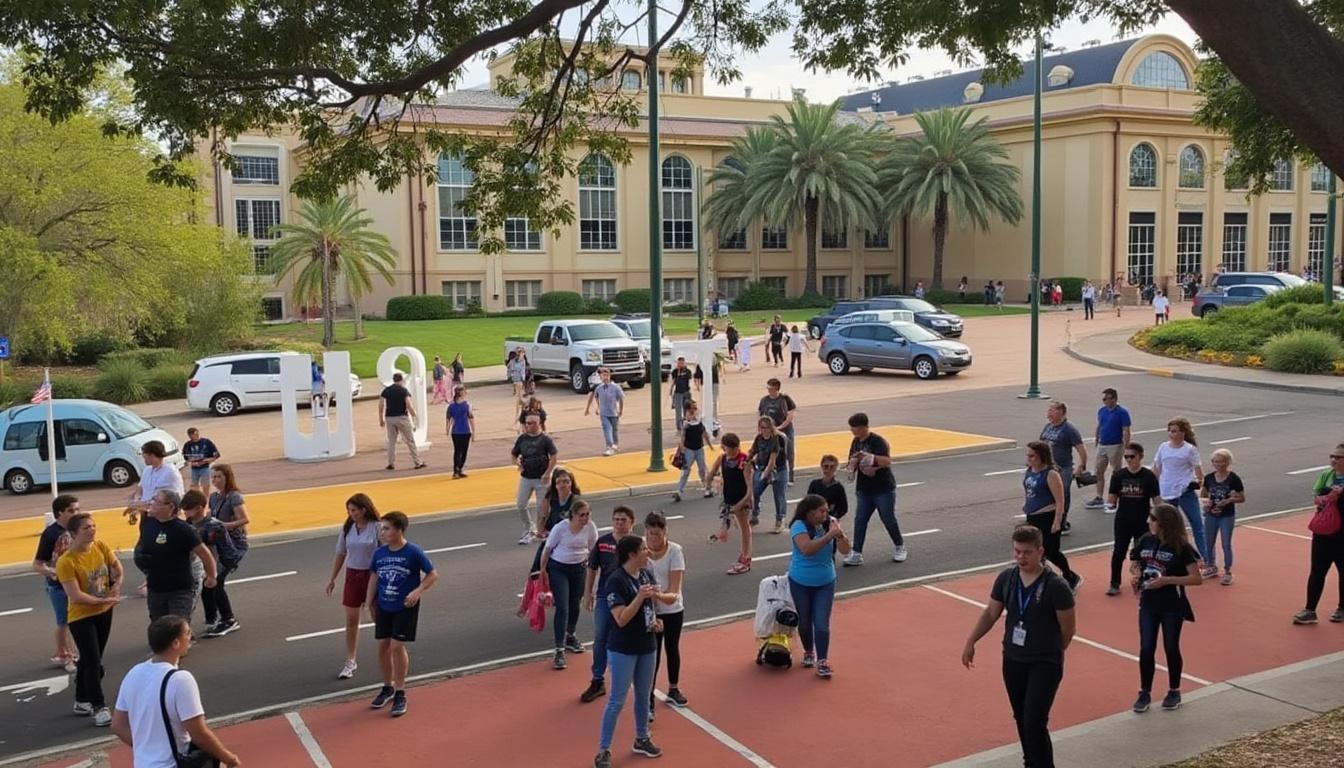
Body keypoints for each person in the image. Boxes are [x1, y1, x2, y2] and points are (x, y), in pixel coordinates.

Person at [961, 525, 1076, 768]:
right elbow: (991, 612)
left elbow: (1068, 629)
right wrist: (971, 641)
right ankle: (1030, 762)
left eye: (1027, 552)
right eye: (1017, 552)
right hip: (1013, 660)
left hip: (1044, 663)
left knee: (1034, 721)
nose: (1021, 558)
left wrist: (1054, 653)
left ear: (1040, 551)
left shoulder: (1056, 586)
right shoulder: (1007, 579)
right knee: (1022, 718)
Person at [111, 616, 240, 768]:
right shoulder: (180, 680)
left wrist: (147, 749)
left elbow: (118, 725)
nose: (191, 636)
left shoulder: (134, 673)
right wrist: (230, 759)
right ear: (176, 643)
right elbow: (199, 734)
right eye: (187, 633)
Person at [593, 535, 664, 768]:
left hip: (647, 645)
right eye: (643, 549)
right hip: (623, 648)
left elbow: (650, 605)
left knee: (644, 696)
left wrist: (655, 621)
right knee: (617, 700)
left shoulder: (645, 574)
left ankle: (642, 738)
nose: (648, 552)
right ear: (632, 555)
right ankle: (604, 749)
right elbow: (621, 619)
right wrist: (639, 597)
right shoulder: (616, 581)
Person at [1130, 503, 1203, 712]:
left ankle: (1174, 690)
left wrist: (1167, 581)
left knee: (1171, 646)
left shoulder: (1181, 547)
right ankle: (1144, 691)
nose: (1148, 522)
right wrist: (1136, 574)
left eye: (1152, 519)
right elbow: (1135, 561)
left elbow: (1196, 578)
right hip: (1148, 603)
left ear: (1164, 523)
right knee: (1146, 648)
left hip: (1172, 604)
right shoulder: (1146, 540)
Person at [367, 511, 437, 718]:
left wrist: (417, 591)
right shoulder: (379, 554)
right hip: (384, 605)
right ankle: (387, 687)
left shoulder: (413, 552)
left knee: (397, 647)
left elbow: (432, 574)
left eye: (386, 528)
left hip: (405, 606)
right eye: (381, 528)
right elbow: (374, 578)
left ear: (399, 530)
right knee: (383, 645)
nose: (382, 532)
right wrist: (369, 603)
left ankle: (400, 691)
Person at [57, 511, 123, 726]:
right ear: (73, 533)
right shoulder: (66, 561)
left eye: (93, 526)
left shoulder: (100, 547)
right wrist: (102, 600)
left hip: (104, 612)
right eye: (86, 528)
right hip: (81, 616)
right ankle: (99, 706)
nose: (92, 530)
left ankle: (81, 699)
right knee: (94, 662)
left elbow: (117, 568)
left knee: (89, 659)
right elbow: (75, 595)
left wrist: (116, 586)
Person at [788, 495, 850, 678]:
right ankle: (808, 651)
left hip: (825, 582)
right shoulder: (798, 526)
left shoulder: (831, 523)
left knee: (822, 624)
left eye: (826, 510)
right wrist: (829, 536)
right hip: (800, 581)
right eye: (821, 511)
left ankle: (822, 660)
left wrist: (840, 536)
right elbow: (806, 549)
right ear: (810, 512)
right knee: (805, 621)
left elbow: (846, 550)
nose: (825, 514)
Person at [580, 506, 636, 704]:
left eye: (623, 520)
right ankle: (597, 679)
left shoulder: (637, 545)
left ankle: (631, 679)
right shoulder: (603, 542)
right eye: (616, 519)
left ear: (632, 522)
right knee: (600, 638)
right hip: (605, 596)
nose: (619, 523)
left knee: (629, 638)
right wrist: (588, 593)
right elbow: (592, 568)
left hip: (630, 598)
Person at [137, 490, 216, 622]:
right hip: (155, 589)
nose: (151, 502)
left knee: (177, 626)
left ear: (171, 507)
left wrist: (211, 576)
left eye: (156, 500)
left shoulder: (183, 529)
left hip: (179, 591)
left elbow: (205, 554)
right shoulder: (148, 524)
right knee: (159, 627)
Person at [326, 493, 381, 680]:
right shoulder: (348, 528)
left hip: (372, 575)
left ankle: (388, 651)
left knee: (376, 616)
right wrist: (332, 578)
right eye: (349, 510)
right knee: (351, 620)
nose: (351, 514)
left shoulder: (377, 527)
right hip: (353, 575)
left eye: (354, 510)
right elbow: (341, 553)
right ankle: (350, 660)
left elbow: (384, 551)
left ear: (364, 509)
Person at [539, 498, 597, 670]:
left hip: (579, 568)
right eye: (581, 515)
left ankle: (570, 635)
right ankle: (559, 649)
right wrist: (543, 570)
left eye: (587, 515)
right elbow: (547, 549)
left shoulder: (590, 527)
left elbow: (593, 549)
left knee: (574, 604)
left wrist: (594, 570)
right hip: (559, 568)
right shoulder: (561, 528)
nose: (584, 518)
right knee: (563, 607)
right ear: (573, 515)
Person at [843, 413, 907, 566]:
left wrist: (874, 466)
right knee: (860, 520)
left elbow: (887, 461)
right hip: (864, 489)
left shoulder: (878, 441)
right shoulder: (855, 442)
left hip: (883, 488)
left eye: (854, 427)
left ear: (863, 427)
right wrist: (852, 466)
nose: (852, 430)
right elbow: (852, 458)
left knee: (888, 518)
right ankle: (857, 552)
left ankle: (899, 546)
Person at [1022, 441, 1082, 592]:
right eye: (1028, 455)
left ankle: (1070, 576)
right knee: (1037, 550)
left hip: (1047, 516)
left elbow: (1060, 500)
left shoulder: (1050, 474)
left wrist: (1057, 521)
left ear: (1041, 456)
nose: (1029, 458)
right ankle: (1043, 580)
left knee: (1051, 551)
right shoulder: (1029, 471)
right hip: (1033, 516)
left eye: (1032, 456)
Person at [1294, 446, 1344, 625]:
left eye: (1339, 457)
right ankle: (1310, 609)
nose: (1334, 460)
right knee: (1317, 570)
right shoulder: (1326, 475)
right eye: (1332, 456)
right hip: (1323, 530)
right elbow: (1316, 496)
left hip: (1342, 533)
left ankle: (1342, 608)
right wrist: (1326, 497)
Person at [645, 512, 688, 715]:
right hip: (650, 611)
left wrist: (657, 595)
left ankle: (673, 688)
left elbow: (674, 590)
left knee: (672, 648)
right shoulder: (641, 551)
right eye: (650, 534)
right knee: (652, 655)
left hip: (671, 610)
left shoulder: (675, 551)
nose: (653, 538)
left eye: (657, 534)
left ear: (665, 532)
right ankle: (648, 697)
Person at [1105, 442, 1161, 596]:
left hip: (1142, 521)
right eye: (1126, 457)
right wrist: (1108, 504)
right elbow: (1112, 499)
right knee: (1119, 551)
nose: (1129, 459)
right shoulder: (1118, 475)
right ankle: (1114, 583)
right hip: (1123, 520)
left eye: (1132, 456)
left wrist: (1160, 517)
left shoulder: (1148, 476)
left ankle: (1143, 580)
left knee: (1143, 552)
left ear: (1140, 457)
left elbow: (1157, 500)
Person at [1152, 417, 1209, 563]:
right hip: (1167, 493)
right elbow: (1156, 468)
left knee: (1197, 525)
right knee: (1170, 528)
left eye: (1175, 431)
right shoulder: (1163, 447)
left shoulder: (1190, 449)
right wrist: (1152, 488)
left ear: (1183, 432)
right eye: (1170, 431)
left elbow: (1199, 473)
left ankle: (1207, 559)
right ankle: (1174, 558)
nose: (1172, 434)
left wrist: (1200, 485)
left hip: (1185, 492)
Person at [34, 494, 78, 674]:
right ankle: (64, 655)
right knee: (64, 622)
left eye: (77, 509)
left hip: (75, 582)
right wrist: (52, 573)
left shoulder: (77, 529)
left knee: (76, 619)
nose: (76, 513)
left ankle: (68, 652)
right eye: (71, 510)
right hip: (58, 586)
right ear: (60, 513)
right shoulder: (51, 534)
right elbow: (37, 564)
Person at [707, 433, 755, 575]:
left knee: (744, 528)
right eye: (730, 449)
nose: (734, 451)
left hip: (741, 499)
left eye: (735, 448)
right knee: (740, 527)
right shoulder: (722, 458)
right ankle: (744, 555)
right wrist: (710, 481)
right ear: (724, 448)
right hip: (729, 498)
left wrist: (742, 503)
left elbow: (749, 487)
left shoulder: (744, 461)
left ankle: (746, 558)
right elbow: (711, 473)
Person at [1040, 401, 1087, 536]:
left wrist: (1081, 466)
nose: (1049, 412)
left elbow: (1081, 449)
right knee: (1047, 495)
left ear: (1062, 412)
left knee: (1062, 496)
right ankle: (1048, 520)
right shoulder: (1048, 427)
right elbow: (1041, 444)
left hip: (1063, 469)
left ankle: (1062, 522)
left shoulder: (1069, 429)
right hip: (1047, 467)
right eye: (1049, 410)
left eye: (1053, 410)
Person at [1201, 449, 1246, 585]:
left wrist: (1229, 500)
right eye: (1215, 462)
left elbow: (1242, 498)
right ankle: (1211, 565)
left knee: (1226, 544)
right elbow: (1204, 495)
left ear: (1227, 462)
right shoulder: (1209, 478)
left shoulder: (1233, 478)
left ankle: (1227, 571)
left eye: (1220, 462)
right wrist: (1206, 504)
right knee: (1209, 542)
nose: (1217, 465)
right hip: (1211, 515)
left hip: (1226, 515)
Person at [513, 413, 558, 545]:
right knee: (521, 504)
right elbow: (514, 454)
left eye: (532, 423)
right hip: (526, 477)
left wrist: (548, 473)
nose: (528, 426)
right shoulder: (522, 439)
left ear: (539, 424)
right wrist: (518, 465)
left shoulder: (545, 440)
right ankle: (529, 528)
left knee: (541, 508)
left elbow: (554, 457)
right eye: (527, 423)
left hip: (541, 478)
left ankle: (541, 530)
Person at [529, 468, 583, 574]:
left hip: (567, 539)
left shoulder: (576, 501)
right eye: (559, 482)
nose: (563, 485)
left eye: (566, 481)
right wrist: (540, 531)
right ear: (555, 485)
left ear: (571, 483)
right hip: (551, 536)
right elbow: (542, 516)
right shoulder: (550, 498)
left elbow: (578, 523)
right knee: (537, 566)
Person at [1086, 388, 1132, 512]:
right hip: (1103, 444)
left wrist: (1126, 446)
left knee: (1116, 473)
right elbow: (1099, 425)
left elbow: (1126, 430)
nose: (1105, 401)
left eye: (1106, 399)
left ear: (1114, 399)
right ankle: (1099, 497)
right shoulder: (1102, 411)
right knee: (1098, 471)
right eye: (1103, 399)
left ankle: (1115, 498)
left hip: (1115, 445)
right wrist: (1097, 438)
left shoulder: (1122, 412)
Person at [747, 416, 790, 534]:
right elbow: (753, 451)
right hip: (761, 466)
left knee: (779, 495)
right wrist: (746, 460)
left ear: (771, 427)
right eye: (761, 427)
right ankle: (754, 515)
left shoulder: (778, 439)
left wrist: (764, 475)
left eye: (766, 427)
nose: (763, 430)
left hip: (778, 469)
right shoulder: (759, 438)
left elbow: (772, 461)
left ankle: (780, 520)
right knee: (755, 492)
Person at [379, 372, 424, 471]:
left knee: (391, 441)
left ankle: (391, 463)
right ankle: (417, 462)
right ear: (402, 380)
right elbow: (409, 404)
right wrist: (414, 415)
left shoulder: (386, 390)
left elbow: (381, 405)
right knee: (410, 440)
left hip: (389, 418)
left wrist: (381, 419)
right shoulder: (403, 391)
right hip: (402, 417)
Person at [758, 378, 798, 485]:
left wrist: (781, 427)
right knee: (770, 452)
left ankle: (790, 475)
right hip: (770, 431)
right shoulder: (764, 400)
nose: (769, 389)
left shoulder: (784, 398)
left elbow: (790, 415)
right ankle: (771, 474)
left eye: (770, 387)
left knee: (789, 451)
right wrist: (763, 429)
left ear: (776, 388)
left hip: (785, 429)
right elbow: (761, 416)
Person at [672, 401, 713, 502]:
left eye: (695, 408)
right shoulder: (685, 423)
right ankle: (679, 491)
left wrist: (709, 444)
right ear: (687, 409)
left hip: (699, 449)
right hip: (689, 449)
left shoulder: (698, 421)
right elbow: (682, 435)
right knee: (686, 471)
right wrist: (682, 447)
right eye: (692, 408)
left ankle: (707, 488)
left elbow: (704, 433)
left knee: (702, 469)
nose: (695, 410)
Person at [585, 367, 624, 456]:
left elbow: (621, 398)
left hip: (614, 412)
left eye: (607, 375)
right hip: (604, 413)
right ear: (600, 377)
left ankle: (615, 445)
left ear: (610, 376)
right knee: (606, 428)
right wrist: (595, 408)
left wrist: (621, 410)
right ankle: (609, 447)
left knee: (614, 429)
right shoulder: (599, 388)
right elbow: (594, 397)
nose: (605, 377)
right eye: (603, 376)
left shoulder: (616, 387)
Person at [806, 455, 848, 520]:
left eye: (832, 467)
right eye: (826, 466)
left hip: (831, 519)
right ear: (821, 467)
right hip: (815, 519)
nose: (828, 469)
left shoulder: (839, 488)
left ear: (836, 468)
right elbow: (808, 503)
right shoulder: (814, 484)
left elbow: (843, 508)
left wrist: (834, 517)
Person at [446, 385, 475, 478]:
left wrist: (447, 429)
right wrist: (473, 431)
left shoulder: (451, 406)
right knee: (462, 451)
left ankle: (458, 469)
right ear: (462, 393)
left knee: (458, 451)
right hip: (464, 431)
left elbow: (448, 419)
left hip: (456, 432)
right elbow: (471, 419)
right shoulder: (467, 405)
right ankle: (458, 469)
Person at [181, 428, 220, 495]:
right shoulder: (187, 445)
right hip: (194, 469)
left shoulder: (206, 442)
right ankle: (197, 498)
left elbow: (216, 455)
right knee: (194, 486)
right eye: (191, 436)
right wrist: (192, 463)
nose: (194, 437)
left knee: (205, 485)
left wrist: (207, 460)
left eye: (195, 435)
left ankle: (206, 497)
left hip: (205, 467)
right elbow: (185, 458)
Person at [668, 357, 693, 433]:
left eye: (682, 363)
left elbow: (689, 378)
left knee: (687, 409)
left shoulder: (688, 371)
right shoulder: (675, 371)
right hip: (678, 392)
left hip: (686, 392)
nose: (680, 364)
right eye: (679, 363)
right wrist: (671, 390)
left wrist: (683, 371)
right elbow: (673, 381)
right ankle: (679, 426)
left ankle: (687, 424)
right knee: (678, 410)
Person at [508, 348, 530, 424]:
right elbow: (510, 368)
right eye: (520, 353)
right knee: (519, 400)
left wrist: (523, 380)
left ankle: (518, 418)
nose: (521, 354)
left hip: (520, 381)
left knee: (519, 400)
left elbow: (523, 372)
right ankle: (519, 417)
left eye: (522, 353)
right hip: (516, 380)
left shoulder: (523, 361)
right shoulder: (514, 361)